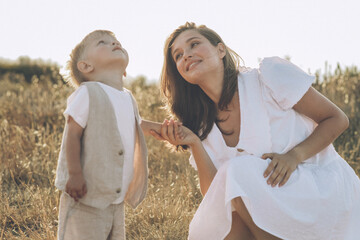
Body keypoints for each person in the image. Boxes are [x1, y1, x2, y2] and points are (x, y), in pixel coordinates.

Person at [153, 22, 360, 240]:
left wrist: (294, 156)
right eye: (178, 55)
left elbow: (337, 119)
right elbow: (216, 196)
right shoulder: (201, 124)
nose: (186, 55)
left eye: (194, 44)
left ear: (220, 50)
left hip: (322, 190)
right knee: (217, 226)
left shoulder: (268, 78)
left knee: (237, 170)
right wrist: (195, 143)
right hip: (273, 205)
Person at [55, 30, 164, 240]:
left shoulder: (127, 98)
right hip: (85, 197)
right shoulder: (88, 93)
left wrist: (161, 129)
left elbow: (135, 124)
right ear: (86, 66)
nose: (114, 42)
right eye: (102, 42)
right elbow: (72, 135)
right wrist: (75, 174)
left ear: (124, 71)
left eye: (116, 41)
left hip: (115, 199)